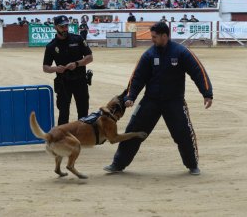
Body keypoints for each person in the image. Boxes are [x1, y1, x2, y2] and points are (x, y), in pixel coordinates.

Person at [104, 22, 213, 175]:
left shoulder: (181, 52)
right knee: (133, 131)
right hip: (151, 101)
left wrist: (207, 93)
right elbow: (137, 78)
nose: (152, 39)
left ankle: (192, 165)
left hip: (174, 101)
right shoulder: (149, 54)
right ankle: (118, 164)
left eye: (154, 37)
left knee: (183, 134)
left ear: (164, 36)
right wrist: (131, 96)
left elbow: (198, 71)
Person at [43, 15, 93, 125]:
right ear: (55, 27)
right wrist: (56, 68)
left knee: (83, 112)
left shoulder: (78, 39)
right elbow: (45, 67)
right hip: (63, 82)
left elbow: (89, 57)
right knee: (63, 113)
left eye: (66, 26)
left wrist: (77, 64)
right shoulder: (51, 46)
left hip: (80, 80)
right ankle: (62, 139)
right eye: (62, 27)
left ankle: (83, 137)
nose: (65, 29)